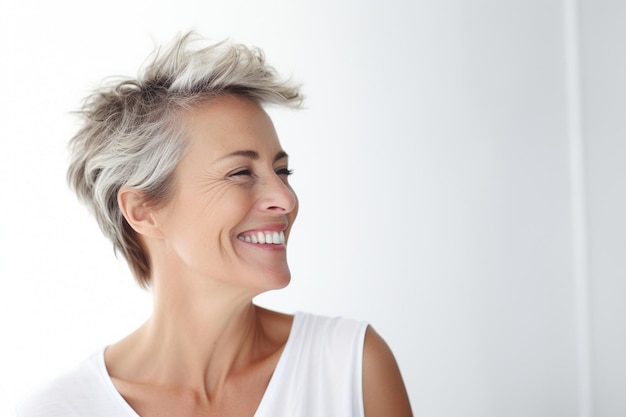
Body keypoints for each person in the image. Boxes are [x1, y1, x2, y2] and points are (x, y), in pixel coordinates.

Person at [17, 32, 413, 417]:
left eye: (282, 170)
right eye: (240, 172)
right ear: (142, 210)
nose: (286, 199)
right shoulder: (62, 409)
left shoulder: (351, 367)